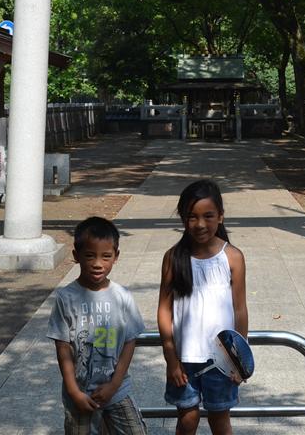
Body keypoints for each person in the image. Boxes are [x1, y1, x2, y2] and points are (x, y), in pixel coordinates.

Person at [157, 180, 249, 435]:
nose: (200, 224)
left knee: (220, 420)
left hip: (221, 360)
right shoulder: (174, 257)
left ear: (220, 216)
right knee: (187, 418)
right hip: (184, 359)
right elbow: (164, 309)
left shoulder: (232, 257)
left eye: (208, 216)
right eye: (192, 217)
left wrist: (239, 361)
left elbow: (239, 310)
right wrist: (170, 358)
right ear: (183, 218)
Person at [47, 217, 147, 435]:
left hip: (117, 390)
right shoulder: (66, 298)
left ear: (116, 257)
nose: (97, 263)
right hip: (80, 394)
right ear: (76, 256)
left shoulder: (122, 297)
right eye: (90, 255)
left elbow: (130, 342)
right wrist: (73, 391)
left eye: (106, 256)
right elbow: (62, 348)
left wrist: (114, 384)